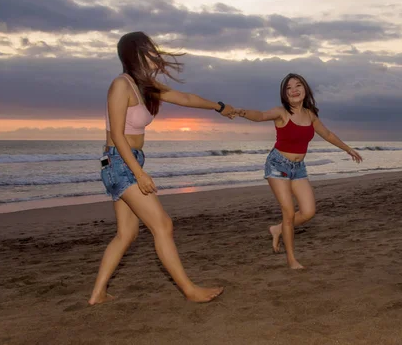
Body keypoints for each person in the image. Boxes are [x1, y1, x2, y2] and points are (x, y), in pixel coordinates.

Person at [88, 32, 233, 305]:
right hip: (120, 162)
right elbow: (117, 135)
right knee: (163, 225)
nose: (155, 55)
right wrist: (139, 174)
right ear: (135, 53)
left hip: (128, 161)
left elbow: (186, 98)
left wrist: (219, 107)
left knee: (126, 234)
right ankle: (189, 290)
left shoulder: (144, 86)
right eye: (149, 50)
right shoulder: (121, 85)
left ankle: (98, 294)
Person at [235, 73, 363, 269]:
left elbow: (327, 134)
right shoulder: (281, 112)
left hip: (299, 168)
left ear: (305, 89)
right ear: (284, 94)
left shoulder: (310, 115)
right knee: (288, 212)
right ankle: (292, 259)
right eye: (288, 88)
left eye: (298, 85)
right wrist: (242, 112)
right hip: (278, 165)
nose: (293, 90)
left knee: (309, 211)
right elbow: (260, 116)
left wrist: (348, 149)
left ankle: (277, 229)